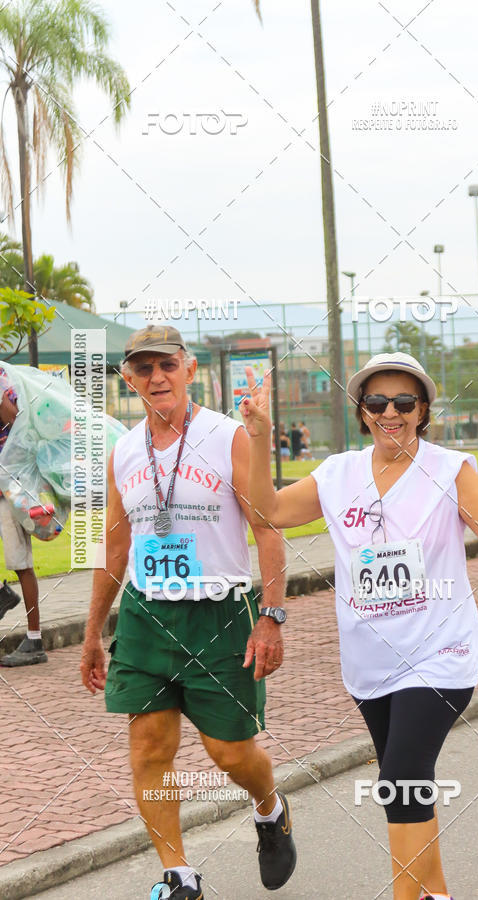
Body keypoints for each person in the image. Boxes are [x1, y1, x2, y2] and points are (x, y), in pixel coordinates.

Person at [242, 352, 478, 900]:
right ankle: (435, 893)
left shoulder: (451, 470)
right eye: (377, 402)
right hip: (370, 664)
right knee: (408, 789)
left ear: (423, 409)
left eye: (404, 402)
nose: (391, 413)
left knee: (400, 777)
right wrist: (260, 438)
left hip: (440, 654)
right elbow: (268, 512)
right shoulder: (339, 474)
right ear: (362, 412)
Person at [80, 326, 296, 900]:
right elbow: (115, 547)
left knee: (229, 752)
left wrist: (271, 614)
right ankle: (178, 876)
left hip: (221, 614)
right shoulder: (124, 450)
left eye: (167, 366)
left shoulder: (228, 437)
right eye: (144, 369)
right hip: (147, 616)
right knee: (149, 747)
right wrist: (92, 633)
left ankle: (270, 809)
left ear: (189, 368)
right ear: (130, 378)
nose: (156, 378)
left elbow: (267, 527)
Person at [0, 364, 47, 666]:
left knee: (21, 563)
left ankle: (34, 640)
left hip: (9, 488)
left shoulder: (3, 383)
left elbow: (16, 424)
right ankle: (2, 597)